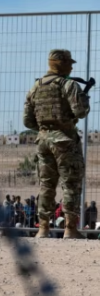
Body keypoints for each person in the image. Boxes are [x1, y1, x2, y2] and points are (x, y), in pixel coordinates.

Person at [23, 49, 90, 239]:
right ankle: (70, 228)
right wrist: (83, 101)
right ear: (61, 64)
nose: (71, 67)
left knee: (46, 185)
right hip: (65, 140)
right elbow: (81, 112)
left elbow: (27, 122)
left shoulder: (35, 87)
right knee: (70, 184)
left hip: (43, 141)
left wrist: (46, 128)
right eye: (69, 63)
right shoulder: (69, 85)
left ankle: (43, 228)